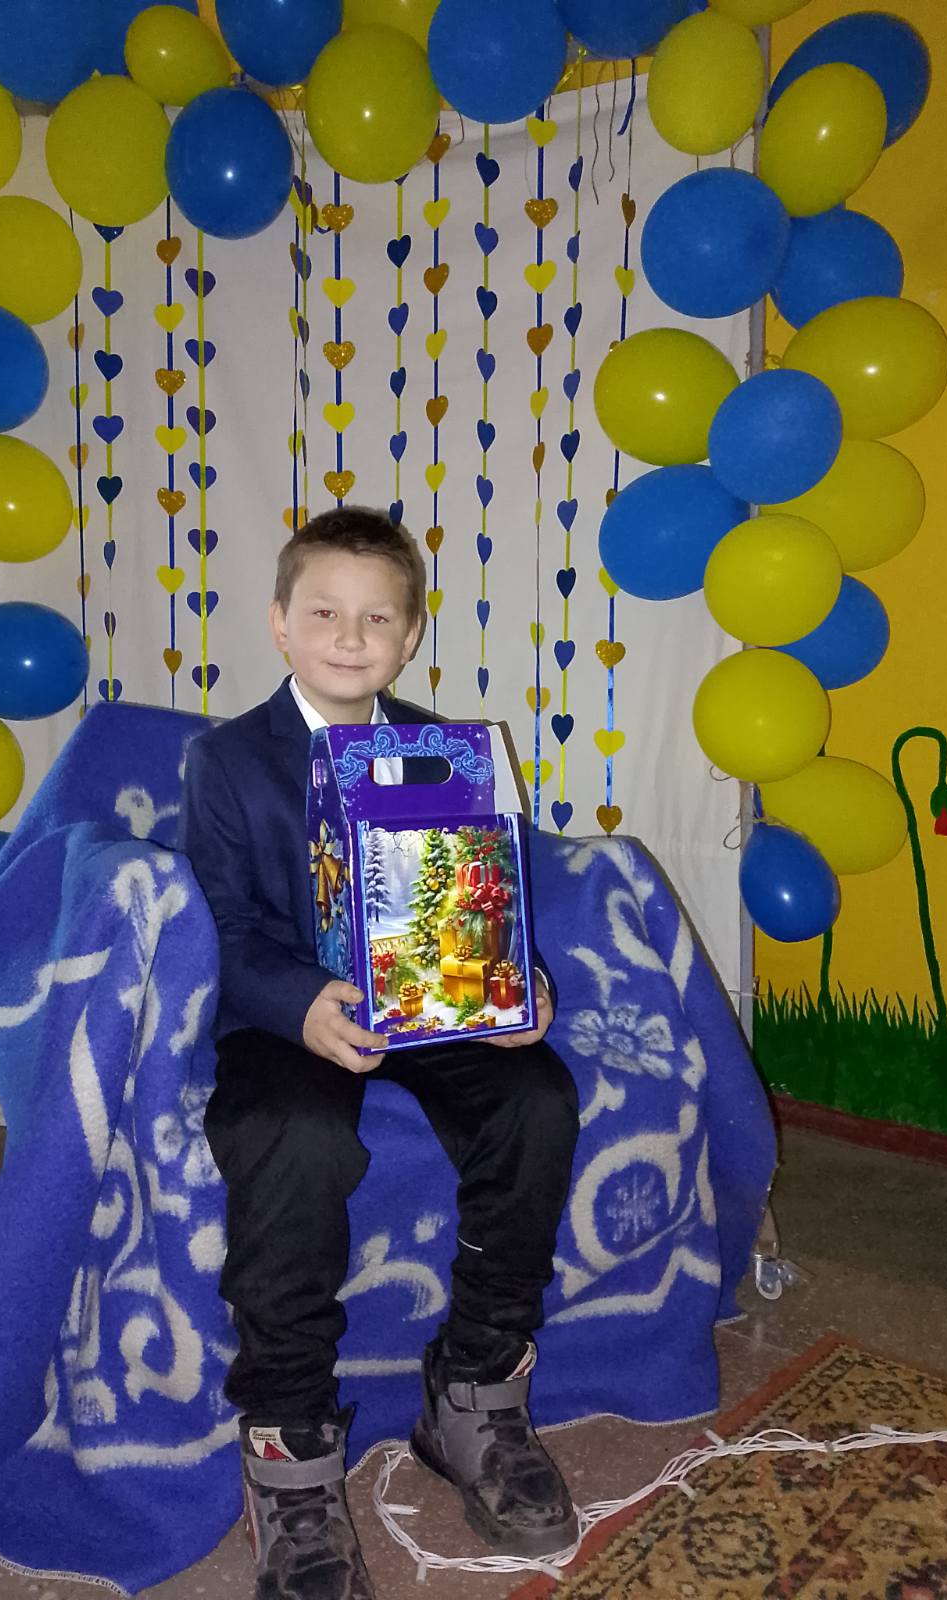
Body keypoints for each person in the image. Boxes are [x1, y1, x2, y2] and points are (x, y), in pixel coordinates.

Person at [179, 506, 580, 1599]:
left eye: (377, 618)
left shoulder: (445, 750)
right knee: (292, 1133)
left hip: (431, 999)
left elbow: (488, 888)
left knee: (538, 1098)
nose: (349, 637)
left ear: (409, 635)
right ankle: (289, 1444)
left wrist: (521, 981)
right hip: (290, 1015)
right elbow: (219, 923)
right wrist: (298, 1001)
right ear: (279, 623)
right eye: (324, 614)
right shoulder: (224, 760)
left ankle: (477, 1384)